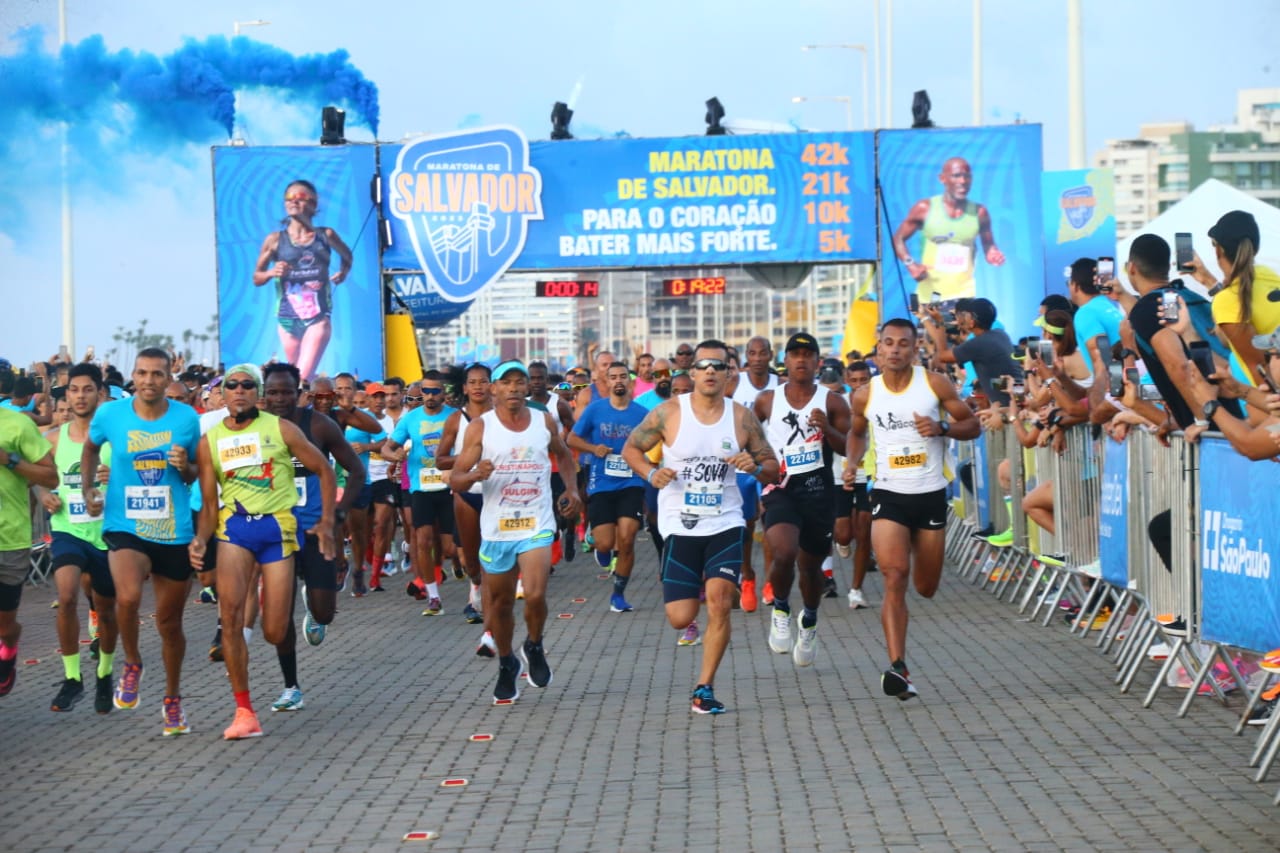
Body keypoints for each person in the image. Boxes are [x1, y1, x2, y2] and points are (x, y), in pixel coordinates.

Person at [623, 340, 779, 714]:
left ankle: (704, 688)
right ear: (691, 373)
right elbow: (631, 448)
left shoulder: (741, 417)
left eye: (719, 366)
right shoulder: (668, 413)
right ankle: (689, 595)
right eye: (704, 365)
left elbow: (773, 467)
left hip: (725, 521)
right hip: (679, 523)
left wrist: (754, 467)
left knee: (720, 603)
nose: (711, 371)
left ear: (730, 374)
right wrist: (651, 472)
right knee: (681, 617)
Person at [191, 363, 336, 739]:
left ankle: (273, 598)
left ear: (256, 393)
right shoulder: (210, 441)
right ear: (222, 394)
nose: (239, 391)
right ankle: (244, 711)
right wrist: (200, 539)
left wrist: (326, 521)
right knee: (231, 616)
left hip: (277, 529)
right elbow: (208, 504)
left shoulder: (281, 429)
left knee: (274, 631)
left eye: (246, 385)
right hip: (234, 530)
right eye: (232, 385)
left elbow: (325, 469)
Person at [845, 319, 980, 699]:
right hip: (888, 493)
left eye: (903, 344)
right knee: (894, 575)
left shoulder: (935, 384)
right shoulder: (864, 394)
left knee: (926, 586)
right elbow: (856, 432)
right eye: (888, 343)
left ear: (915, 347)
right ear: (878, 347)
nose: (894, 350)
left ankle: (900, 659)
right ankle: (898, 666)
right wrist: (853, 464)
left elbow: (972, 425)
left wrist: (942, 428)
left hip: (930, 493)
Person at [81, 348, 201, 735]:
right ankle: (131, 662)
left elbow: (197, 472)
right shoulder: (111, 414)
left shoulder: (186, 419)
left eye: (157, 374)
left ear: (169, 379)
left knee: (169, 624)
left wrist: (187, 468)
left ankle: (172, 699)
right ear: (133, 376)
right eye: (142, 373)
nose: (149, 380)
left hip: (173, 530)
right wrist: (87, 488)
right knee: (128, 598)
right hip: (125, 524)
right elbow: (89, 446)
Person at [450, 361, 582, 704]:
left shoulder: (543, 420)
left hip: (536, 522)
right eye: (505, 383)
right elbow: (456, 479)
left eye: (518, 382)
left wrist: (572, 490)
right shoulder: (480, 428)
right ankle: (507, 662)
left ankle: (534, 645)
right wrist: (475, 474)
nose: (513, 388)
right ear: (494, 389)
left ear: (527, 388)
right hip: (497, 529)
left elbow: (565, 456)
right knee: (502, 605)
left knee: (535, 594)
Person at [261, 363, 365, 711]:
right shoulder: (253, 428)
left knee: (325, 613)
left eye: (286, 391)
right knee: (278, 615)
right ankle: (291, 686)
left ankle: (316, 603)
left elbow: (356, 471)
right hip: (275, 536)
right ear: (264, 393)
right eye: (272, 392)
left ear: (298, 391)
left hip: (315, 533)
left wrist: (336, 513)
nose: (279, 398)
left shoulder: (318, 425)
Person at [754, 333, 851, 667]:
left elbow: (848, 448)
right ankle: (781, 607)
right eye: (795, 354)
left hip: (818, 492)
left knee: (811, 571)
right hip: (780, 489)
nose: (801, 360)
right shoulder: (768, 400)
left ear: (817, 362)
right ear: (786, 360)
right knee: (783, 550)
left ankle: (808, 620)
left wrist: (828, 430)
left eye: (808, 354)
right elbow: (751, 438)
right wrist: (757, 466)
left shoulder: (834, 402)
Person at [34, 364, 120, 713]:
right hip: (68, 529)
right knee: (67, 597)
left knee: (107, 611)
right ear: (66, 395)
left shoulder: (115, 438)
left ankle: (104, 672)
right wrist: (43, 494)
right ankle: (72, 679)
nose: (80, 396)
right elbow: (37, 474)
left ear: (100, 394)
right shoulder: (54, 438)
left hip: (109, 535)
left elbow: (141, 481)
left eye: (87, 389)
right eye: (74, 390)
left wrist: (114, 477)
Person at [382, 370, 469, 619]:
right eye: (426, 391)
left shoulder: (454, 417)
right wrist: (394, 455)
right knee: (423, 540)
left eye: (435, 391)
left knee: (451, 548)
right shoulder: (411, 418)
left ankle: (452, 568)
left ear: (443, 393)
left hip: (448, 487)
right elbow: (388, 446)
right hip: (421, 489)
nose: (430, 396)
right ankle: (433, 597)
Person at [568, 361, 649, 612]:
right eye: (613, 377)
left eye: (623, 376)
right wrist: (594, 449)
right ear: (606, 381)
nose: (618, 381)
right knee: (605, 543)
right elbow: (572, 438)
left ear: (630, 381)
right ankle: (597, 540)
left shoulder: (641, 414)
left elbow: (652, 444)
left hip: (631, 481)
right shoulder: (595, 410)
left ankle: (618, 594)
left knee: (626, 539)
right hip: (602, 483)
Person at [253, 179, 354, 381]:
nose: (293, 202)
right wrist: (272, 272)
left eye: (300, 198)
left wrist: (343, 272)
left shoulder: (325, 235)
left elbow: (347, 255)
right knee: (294, 377)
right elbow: (257, 277)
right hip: (287, 317)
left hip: (318, 315)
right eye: (289, 198)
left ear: (313, 204)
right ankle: (313, 403)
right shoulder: (275, 240)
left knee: (301, 377)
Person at [0, 403, 57, 700]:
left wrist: (10, 460)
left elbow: (51, 477)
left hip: (9, 540)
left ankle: (9, 645)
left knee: (5, 625)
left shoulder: (18, 425)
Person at [892, 157, 1006, 302]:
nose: (963, 181)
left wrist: (993, 254)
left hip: (965, 296)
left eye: (967, 176)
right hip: (931, 296)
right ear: (942, 178)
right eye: (957, 176)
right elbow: (898, 239)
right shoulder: (925, 208)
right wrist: (910, 264)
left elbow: (989, 246)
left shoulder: (979, 212)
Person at [434, 365, 492, 622]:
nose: (478, 386)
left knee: (498, 550)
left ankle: (488, 598)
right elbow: (440, 460)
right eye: (473, 382)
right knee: (470, 556)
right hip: (467, 492)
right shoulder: (456, 419)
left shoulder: (502, 416)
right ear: (465, 387)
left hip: (497, 492)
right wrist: (467, 459)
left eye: (484, 381)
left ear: (492, 385)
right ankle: (476, 585)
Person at [331, 373, 385, 597]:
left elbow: (383, 440)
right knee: (334, 526)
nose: (344, 392)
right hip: (333, 481)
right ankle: (341, 563)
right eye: (340, 388)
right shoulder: (326, 416)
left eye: (348, 388)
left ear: (355, 391)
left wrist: (366, 447)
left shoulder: (362, 417)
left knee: (358, 529)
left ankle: (358, 569)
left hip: (358, 480)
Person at [923, 297, 1023, 406]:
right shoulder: (1000, 334)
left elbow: (942, 356)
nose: (960, 318)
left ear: (972, 322)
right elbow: (996, 379)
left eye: (964, 315)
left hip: (1008, 410)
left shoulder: (978, 344)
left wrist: (940, 321)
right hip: (1018, 399)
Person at [838, 361, 875, 609]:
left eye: (864, 380)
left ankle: (856, 589)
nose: (860, 385)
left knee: (864, 535)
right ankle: (841, 541)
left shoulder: (879, 402)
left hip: (869, 477)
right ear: (847, 381)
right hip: (838, 477)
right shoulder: (837, 404)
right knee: (843, 533)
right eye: (854, 380)